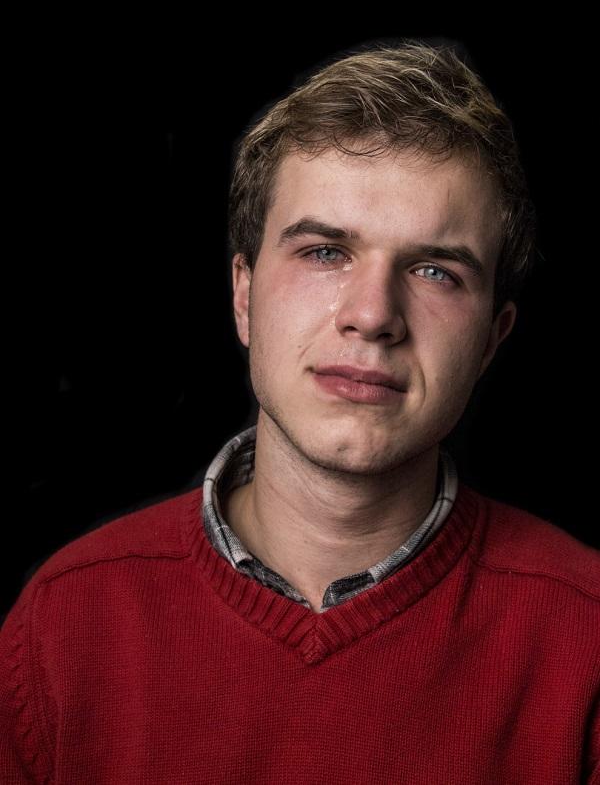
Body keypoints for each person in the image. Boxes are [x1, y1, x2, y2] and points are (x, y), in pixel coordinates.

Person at [1, 39, 599, 784]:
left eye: (434, 270)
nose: (372, 315)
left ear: (491, 340)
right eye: (324, 252)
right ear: (244, 295)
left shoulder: (586, 634)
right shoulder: (66, 620)